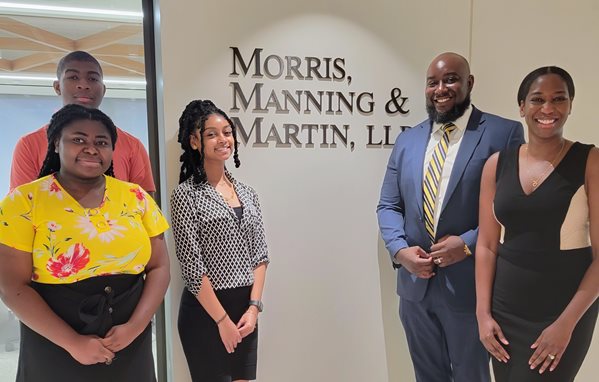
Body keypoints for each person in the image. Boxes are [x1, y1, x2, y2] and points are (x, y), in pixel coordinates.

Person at [376, 52, 524, 381]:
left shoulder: (504, 134)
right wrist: (401, 252)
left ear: (469, 83)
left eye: (450, 79)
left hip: (472, 287)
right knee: (427, 376)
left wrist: (468, 242)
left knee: (472, 375)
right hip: (416, 289)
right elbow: (388, 205)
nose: (440, 88)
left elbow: (513, 208)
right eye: (433, 82)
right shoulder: (407, 140)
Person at [0, 104, 170, 381]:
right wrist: (72, 343)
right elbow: (11, 287)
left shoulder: (136, 197)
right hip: (55, 339)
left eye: (101, 142)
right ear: (56, 143)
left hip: (129, 337)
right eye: (78, 139)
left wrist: (136, 327)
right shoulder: (24, 201)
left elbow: (160, 267)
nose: (91, 148)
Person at [476, 66, 599, 381]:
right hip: (504, 311)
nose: (548, 108)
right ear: (522, 107)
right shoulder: (496, 165)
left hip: (562, 311)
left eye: (559, 99)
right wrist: (483, 313)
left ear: (570, 105)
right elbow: (487, 245)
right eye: (537, 99)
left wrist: (566, 324)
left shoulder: (590, 161)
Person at [170, 99, 269, 381]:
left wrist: (254, 309)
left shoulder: (248, 193)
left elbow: (260, 256)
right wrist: (222, 321)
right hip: (205, 315)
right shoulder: (185, 195)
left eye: (227, 132)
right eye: (212, 134)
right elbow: (191, 267)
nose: (223, 139)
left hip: (246, 313)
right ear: (194, 141)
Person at [9, 50, 155, 195]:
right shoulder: (29, 144)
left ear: (103, 90)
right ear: (57, 87)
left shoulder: (132, 146)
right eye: (73, 77)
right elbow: (20, 207)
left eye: (92, 79)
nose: (83, 85)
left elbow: (146, 208)